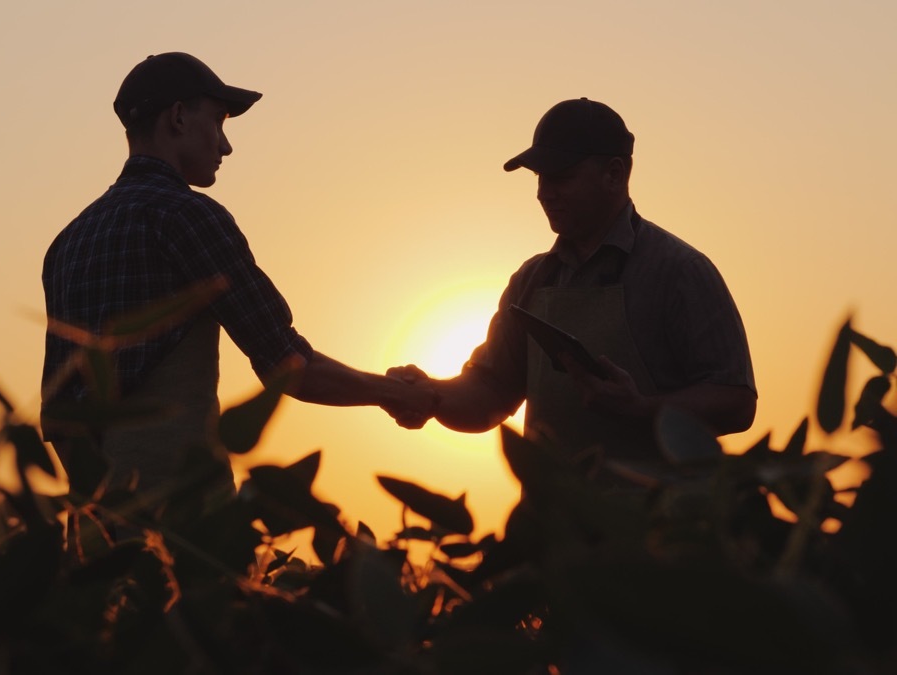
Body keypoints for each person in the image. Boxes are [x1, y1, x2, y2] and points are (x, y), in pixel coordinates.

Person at [41, 52, 435, 506]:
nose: (226, 146)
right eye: (219, 121)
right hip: (184, 521)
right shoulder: (188, 217)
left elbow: (57, 416)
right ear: (178, 117)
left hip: (95, 530)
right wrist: (391, 392)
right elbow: (287, 365)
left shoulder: (67, 243)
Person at [387, 98, 756, 471]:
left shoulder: (681, 272)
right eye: (539, 178)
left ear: (614, 174)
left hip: (659, 509)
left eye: (560, 177)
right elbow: (490, 395)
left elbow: (737, 403)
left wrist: (642, 408)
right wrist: (429, 395)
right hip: (551, 511)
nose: (543, 193)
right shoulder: (529, 281)